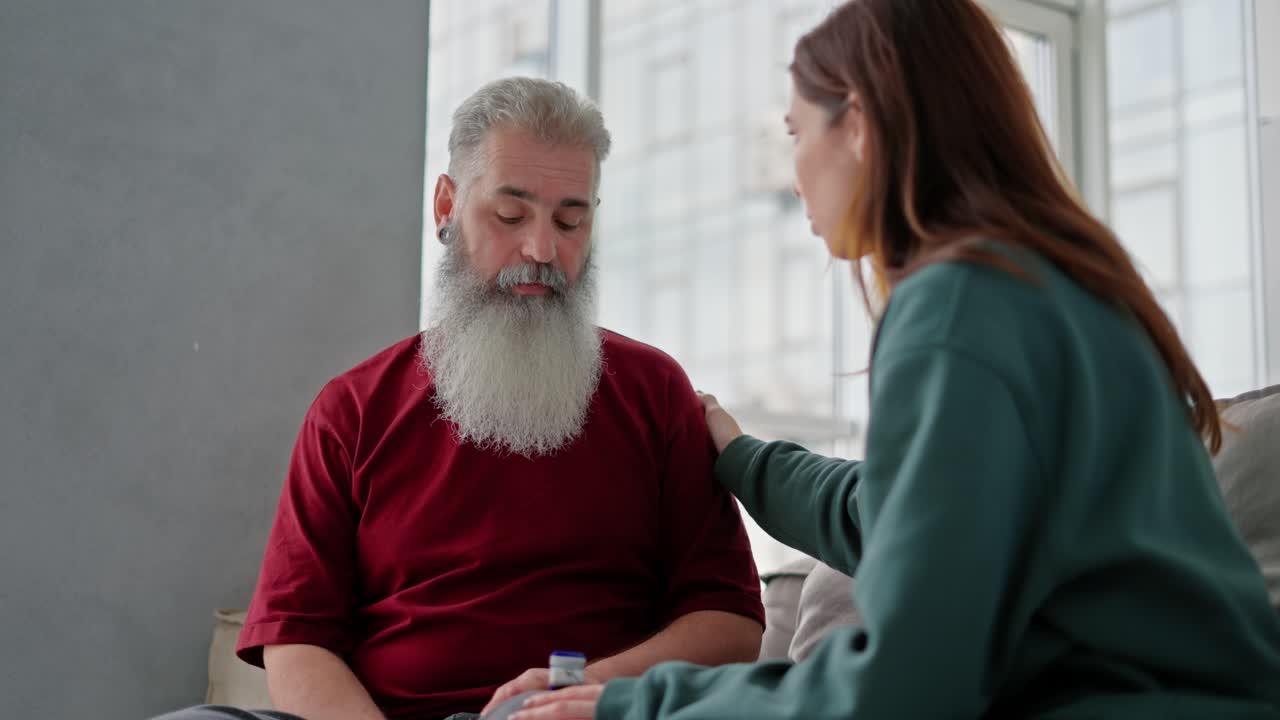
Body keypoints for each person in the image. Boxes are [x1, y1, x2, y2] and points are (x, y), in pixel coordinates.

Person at [510, 2, 1280, 718]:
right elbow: (896, 516)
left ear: (860, 125)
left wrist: (630, 704)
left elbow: (899, 689)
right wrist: (744, 461)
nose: (796, 169)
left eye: (795, 133)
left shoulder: (959, 305)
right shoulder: (1047, 283)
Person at [152, 77, 763, 720]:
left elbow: (729, 625)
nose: (541, 249)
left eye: (570, 220)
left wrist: (586, 689)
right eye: (510, 215)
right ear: (446, 205)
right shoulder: (352, 409)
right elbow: (297, 640)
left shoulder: (653, 392)